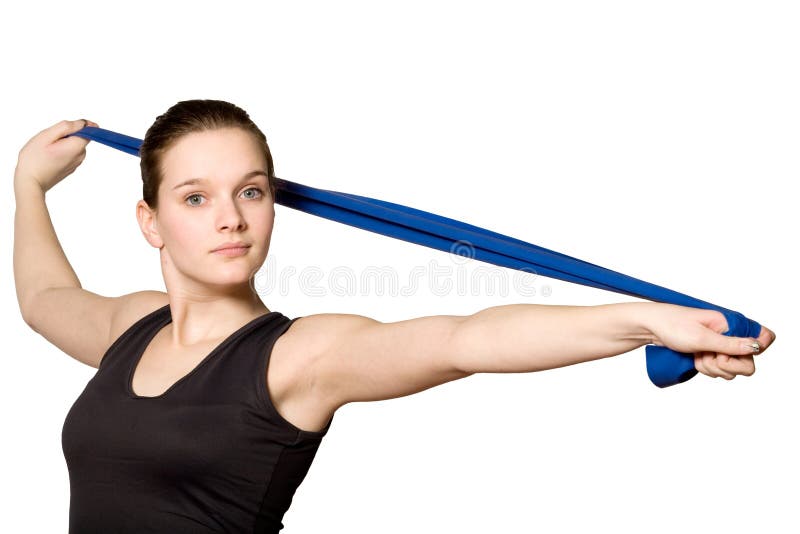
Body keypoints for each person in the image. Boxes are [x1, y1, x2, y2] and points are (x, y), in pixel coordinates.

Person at [13, 99, 776, 533]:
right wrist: (28, 188)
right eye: (195, 197)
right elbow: (45, 302)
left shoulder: (297, 358)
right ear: (150, 222)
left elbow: (464, 340)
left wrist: (647, 322)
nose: (231, 218)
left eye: (251, 191)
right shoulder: (134, 327)